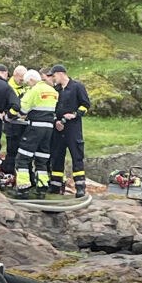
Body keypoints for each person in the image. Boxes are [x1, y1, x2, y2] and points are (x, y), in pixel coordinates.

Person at [14, 68, 60, 198]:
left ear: (32, 80)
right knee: (42, 159)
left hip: (35, 128)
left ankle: (23, 189)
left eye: (28, 83)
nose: (29, 85)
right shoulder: (53, 91)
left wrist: (11, 116)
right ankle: (42, 188)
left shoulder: (34, 90)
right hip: (48, 128)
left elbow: (22, 109)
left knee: (22, 158)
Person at [47, 64, 91, 197]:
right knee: (57, 156)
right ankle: (55, 185)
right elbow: (51, 108)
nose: (54, 79)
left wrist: (75, 114)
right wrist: (56, 121)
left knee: (77, 156)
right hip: (58, 128)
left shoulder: (77, 87)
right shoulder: (56, 90)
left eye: (54, 76)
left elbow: (85, 105)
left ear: (61, 73)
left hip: (73, 127)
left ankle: (80, 187)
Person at [0, 65, 29, 185]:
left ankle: (15, 175)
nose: (23, 81)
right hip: (11, 123)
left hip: (23, 123)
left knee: (23, 151)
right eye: (21, 79)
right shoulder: (8, 87)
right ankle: (8, 172)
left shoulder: (25, 87)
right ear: (15, 75)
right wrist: (9, 116)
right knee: (12, 150)